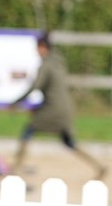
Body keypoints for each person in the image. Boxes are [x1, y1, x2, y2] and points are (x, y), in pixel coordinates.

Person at [9, 32, 106, 181]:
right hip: (65, 109)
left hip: (53, 110)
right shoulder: (58, 62)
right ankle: (99, 166)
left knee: (28, 130)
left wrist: (17, 101)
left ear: (43, 47)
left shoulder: (46, 65)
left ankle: (15, 168)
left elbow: (36, 86)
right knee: (70, 143)